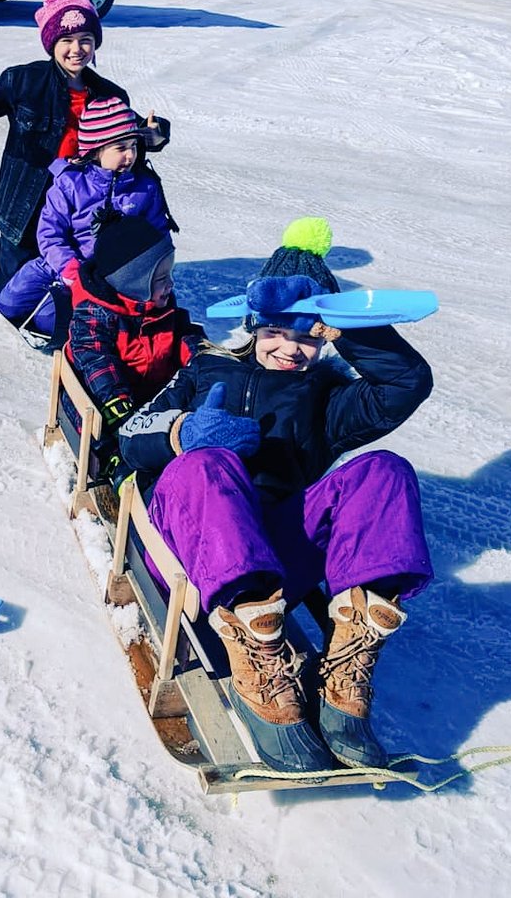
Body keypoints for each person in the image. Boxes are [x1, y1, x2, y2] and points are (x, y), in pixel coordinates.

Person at [118, 270, 435, 773]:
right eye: (276, 331)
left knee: (385, 472)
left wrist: (349, 325)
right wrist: (182, 432)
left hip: (273, 556)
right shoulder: (204, 369)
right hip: (185, 546)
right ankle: (255, 662)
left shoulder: (327, 397)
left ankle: (349, 662)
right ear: (253, 325)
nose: (290, 348)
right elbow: (129, 434)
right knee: (211, 464)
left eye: (308, 334)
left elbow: (407, 383)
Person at [0, 0, 170, 297]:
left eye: (85, 39)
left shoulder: (110, 93)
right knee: (2, 284)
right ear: (52, 43)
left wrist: (155, 135)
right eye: (66, 40)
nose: (76, 49)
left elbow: (131, 131)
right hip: (28, 204)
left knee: (77, 274)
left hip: (78, 202)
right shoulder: (23, 81)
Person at [0, 97, 174, 336]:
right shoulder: (70, 183)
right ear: (96, 149)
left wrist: (154, 278)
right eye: (120, 148)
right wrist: (70, 269)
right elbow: (50, 234)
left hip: (108, 278)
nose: (130, 156)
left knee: (49, 320)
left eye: (133, 146)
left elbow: (158, 238)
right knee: (7, 305)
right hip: (60, 265)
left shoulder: (144, 188)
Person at [66, 214, 203, 445]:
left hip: (148, 401)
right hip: (106, 402)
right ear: (133, 283)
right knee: (98, 426)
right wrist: (116, 400)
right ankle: (112, 464)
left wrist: (203, 358)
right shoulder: (95, 315)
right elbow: (94, 358)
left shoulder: (160, 306)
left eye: (169, 275)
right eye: (160, 278)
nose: (170, 284)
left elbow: (183, 334)